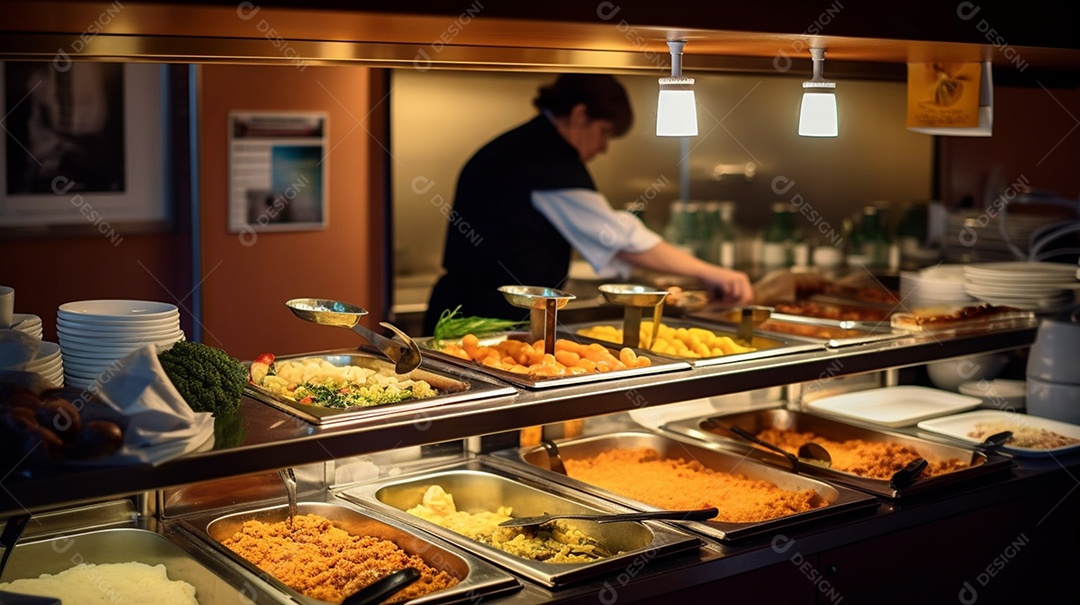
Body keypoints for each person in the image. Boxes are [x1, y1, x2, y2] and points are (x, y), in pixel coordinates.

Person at [423, 73, 753, 334]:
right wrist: (712, 273)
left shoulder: (527, 146)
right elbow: (621, 239)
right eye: (605, 132)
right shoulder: (544, 159)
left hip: (481, 315)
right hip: (479, 321)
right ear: (580, 114)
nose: (604, 148)